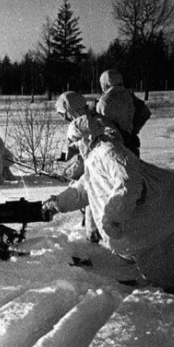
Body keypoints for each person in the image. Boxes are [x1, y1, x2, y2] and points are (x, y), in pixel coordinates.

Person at [41, 115, 174, 292]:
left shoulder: (109, 152)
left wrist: (112, 218)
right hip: (144, 218)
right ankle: (172, 256)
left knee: (163, 277)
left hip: (154, 214)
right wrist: (57, 204)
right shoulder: (94, 156)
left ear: (87, 137)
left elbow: (129, 183)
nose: (73, 146)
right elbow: (83, 189)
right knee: (145, 252)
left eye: (74, 141)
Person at [55, 91, 122, 243]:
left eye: (64, 114)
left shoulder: (94, 125)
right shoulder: (87, 124)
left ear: (71, 110)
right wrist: (70, 173)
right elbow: (84, 157)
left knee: (100, 228)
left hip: (107, 181)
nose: (64, 118)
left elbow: (95, 157)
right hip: (101, 178)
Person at [96, 69, 150, 157]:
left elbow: (100, 123)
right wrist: (134, 130)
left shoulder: (104, 100)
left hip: (113, 145)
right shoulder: (129, 96)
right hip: (131, 142)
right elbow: (145, 113)